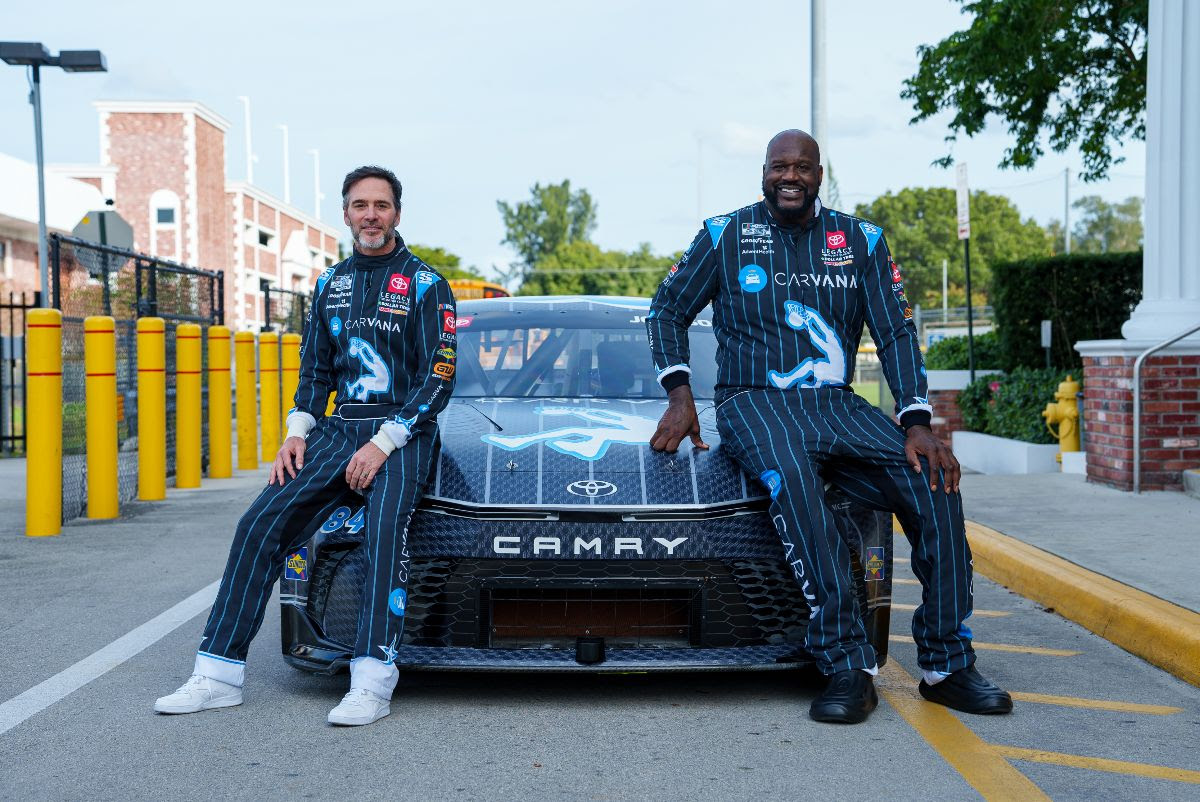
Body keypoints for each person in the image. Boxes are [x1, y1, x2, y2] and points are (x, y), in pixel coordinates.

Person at [646, 130, 1012, 724]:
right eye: (778, 167)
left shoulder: (862, 239)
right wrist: (680, 395)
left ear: (820, 174)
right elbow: (666, 310)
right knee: (795, 481)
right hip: (753, 400)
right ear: (763, 172)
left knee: (934, 480)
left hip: (836, 405)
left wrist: (917, 420)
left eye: (803, 167)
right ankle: (846, 662)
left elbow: (895, 330)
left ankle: (946, 664)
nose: (790, 176)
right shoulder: (725, 234)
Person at [154, 165, 457, 726]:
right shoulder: (328, 285)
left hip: (403, 434)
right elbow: (314, 373)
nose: (371, 215)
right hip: (339, 430)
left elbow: (438, 378)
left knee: (382, 536)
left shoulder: (426, 284)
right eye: (360, 205)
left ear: (397, 213)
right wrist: (295, 434)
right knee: (258, 524)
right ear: (345, 213)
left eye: (382, 205)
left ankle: (370, 681)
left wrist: (385, 443)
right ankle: (218, 674)